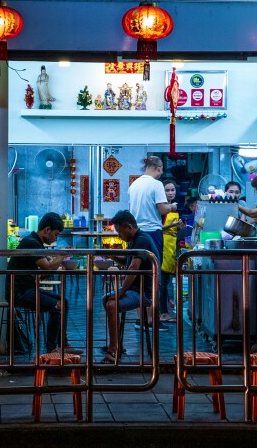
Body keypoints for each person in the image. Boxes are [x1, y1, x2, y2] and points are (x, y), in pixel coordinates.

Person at [6, 212, 80, 354]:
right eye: (55, 234)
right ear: (47, 230)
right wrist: (62, 255)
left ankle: (63, 344)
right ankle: (52, 349)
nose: (55, 238)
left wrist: (56, 260)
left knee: (63, 300)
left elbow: (45, 268)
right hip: (19, 293)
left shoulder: (35, 242)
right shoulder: (31, 243)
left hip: (28, 289)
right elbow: (47, 266)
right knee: (57, 306)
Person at [101, 210, 156, 363]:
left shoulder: (142, 240)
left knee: (112, 305)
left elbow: (132, 268)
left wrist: (121, 293)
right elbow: (126, 261)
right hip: (134, 289)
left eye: (119, 231)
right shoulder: (134, 240)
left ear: (129, 227)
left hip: (143, 291)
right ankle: (116, 343)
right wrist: (112, 255)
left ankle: (114, 350)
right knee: (105, 299)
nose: (119, 236)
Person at [128, 155, 174, 275]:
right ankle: (152, 293)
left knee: (137, 269)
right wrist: (172, 207)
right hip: (152, 233)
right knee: (153, 269)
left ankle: (138, 293)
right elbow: (163, 209)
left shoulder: (134, 185)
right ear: (159, 168)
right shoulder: (156, 184)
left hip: (136, 232)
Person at [159, 179, 182, 322]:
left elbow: (173, 229)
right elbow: (157, 228)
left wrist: (178, 226)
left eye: (172, 190)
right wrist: (171, 225)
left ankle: (165, 311)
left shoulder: (174, 207)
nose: (170, 193)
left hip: (171, 247)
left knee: (166, 280)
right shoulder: (162, 209)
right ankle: (163, 312)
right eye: (167, 190)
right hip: (163, 245)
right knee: (162, 280)